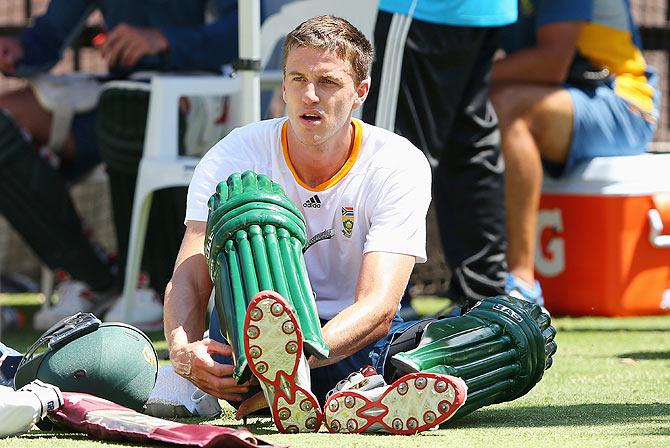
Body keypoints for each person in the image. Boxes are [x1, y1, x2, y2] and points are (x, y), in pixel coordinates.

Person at [164, 15, 556, 435]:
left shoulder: (396, 162)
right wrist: (183, 352)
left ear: (360, 92)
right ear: (282, 86)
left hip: (351, 343)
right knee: (247, 197)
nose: (309, 95)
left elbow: (380, 305)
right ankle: (358, 391)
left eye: (328, 82)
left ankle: (363, 396)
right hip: (250, 349)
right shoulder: (235, 154)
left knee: (516, 325)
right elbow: (189, 275)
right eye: (297, 79)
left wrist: (299, 364)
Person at [0, 0, 240, 331]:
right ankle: (89, 275)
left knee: (130, 109)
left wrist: (163, 39)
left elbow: (241, 31)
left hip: (201, 86)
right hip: (117, 90)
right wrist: (20, 51)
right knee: (119, 106)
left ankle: (149, 284)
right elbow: (51, 33)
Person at [490, 0, 660, 306]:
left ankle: (521, 285)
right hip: (564, 99)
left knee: (508, 105)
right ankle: (472, 282)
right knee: (476, 105)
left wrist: (465, 78)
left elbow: (551, 63)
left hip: (626, 105)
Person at [361, 0, 518, 315]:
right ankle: (483, 303)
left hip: (424, 9)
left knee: (390, 150)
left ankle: (385, 301)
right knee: (469, 147)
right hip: (485, 11)